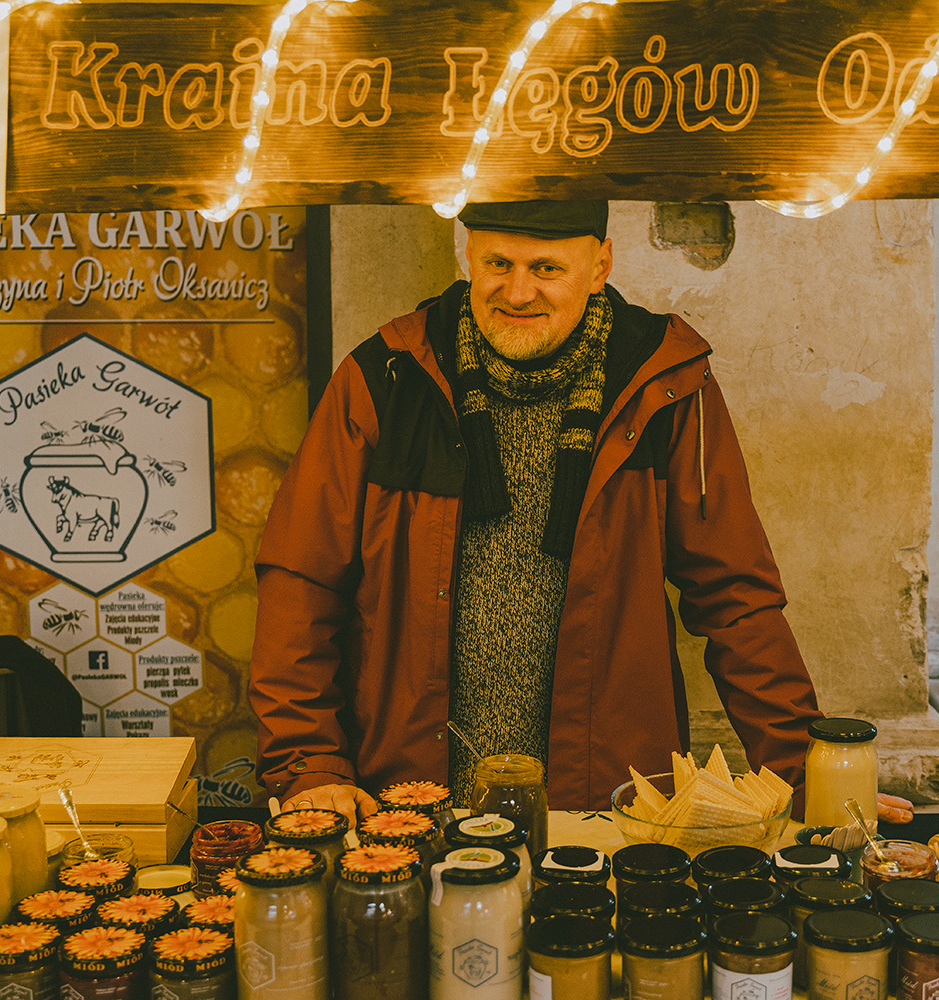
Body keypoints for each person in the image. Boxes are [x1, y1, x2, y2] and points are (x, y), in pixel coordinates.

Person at [249, 200, 822, 824]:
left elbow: (736, 598)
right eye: (499, 263)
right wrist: (309, 764)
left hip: (607, 807)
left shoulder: (667, 384)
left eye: (546, 268)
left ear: (599, 266)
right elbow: (301, 583)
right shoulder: (386, 376)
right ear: (468, 255)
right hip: (413, 802)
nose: (518, 292)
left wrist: (811, 776)